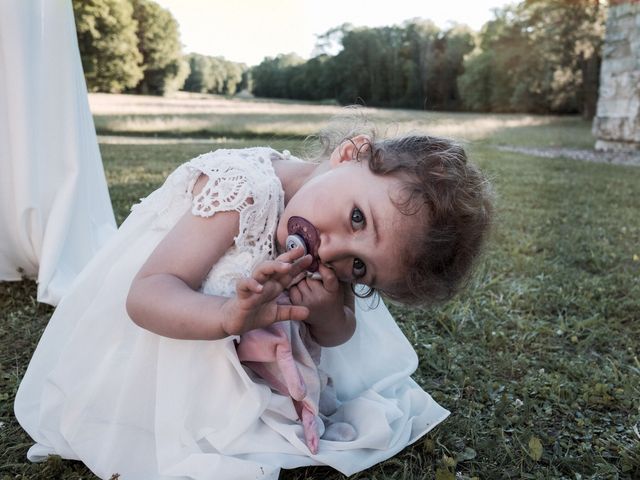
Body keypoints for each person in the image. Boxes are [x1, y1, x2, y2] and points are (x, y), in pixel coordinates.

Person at [14, 114, 493, 480]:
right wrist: (228, 314)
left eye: (360, 268)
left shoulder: (332, 247)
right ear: (351, 153)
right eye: (356, 219)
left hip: (238, 339)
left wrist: (326, 310)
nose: (332, 251)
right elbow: (146, 295)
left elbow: (343, 330)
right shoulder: (244, 189)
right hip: (165, 332)